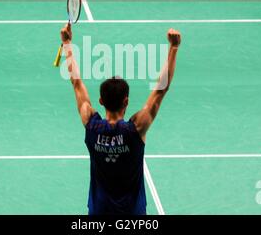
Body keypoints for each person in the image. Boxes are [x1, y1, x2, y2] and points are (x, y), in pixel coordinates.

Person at [60, 23, 181, 215]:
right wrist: (173, 48)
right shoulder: (136, 129)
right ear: (126, 101)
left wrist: (67, 43)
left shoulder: (91, 125)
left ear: (100, 101)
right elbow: (160, 90)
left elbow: (76, 83)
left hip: (100, 212)